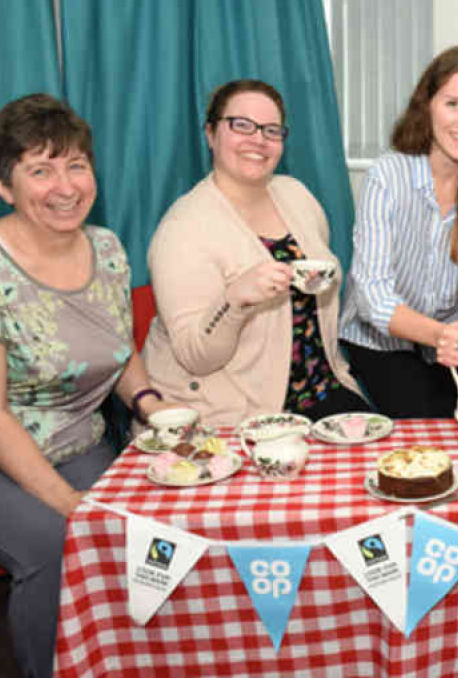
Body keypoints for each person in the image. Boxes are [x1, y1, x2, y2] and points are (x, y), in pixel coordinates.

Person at [0, 94, 172, 678]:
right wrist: (74, 507)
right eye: (40, 169)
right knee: (60, 542)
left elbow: (119, 354)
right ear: (3, 186)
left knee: (153, 522)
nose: (65, 185)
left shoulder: (108, 248)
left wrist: (155, 408)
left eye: (76, 165)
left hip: (79, 442)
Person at [143, 79, 369, 426]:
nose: (258, 140)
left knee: (387, 464)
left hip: (321, 391)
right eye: (241, 125)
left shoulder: (297, 196)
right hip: (234, 409)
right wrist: (234, 301)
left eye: (271, 130)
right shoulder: (182, 230)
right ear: (210, 134)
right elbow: (196, 357)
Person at [339, 45, 458, 418]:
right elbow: (371, 296)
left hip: (452, 339)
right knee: (434, 419)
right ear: (427, 105)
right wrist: (438, 335)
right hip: (382, 342)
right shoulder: (387, 176)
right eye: (453, 104)